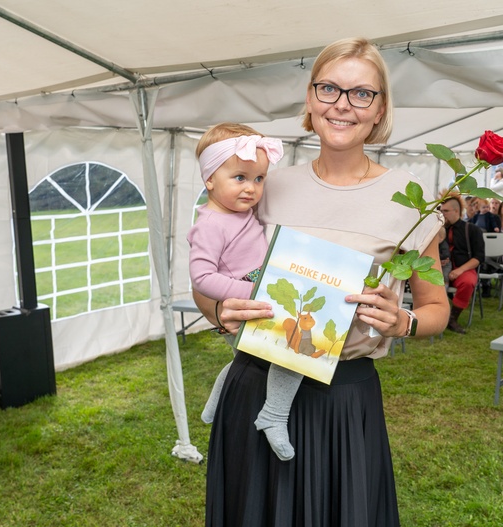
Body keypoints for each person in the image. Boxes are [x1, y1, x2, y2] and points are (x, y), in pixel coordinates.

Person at [194, 38, 449, 527]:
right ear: (310, 100)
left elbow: (437, 308)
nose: (342, 105)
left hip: (343, 403)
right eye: (329, 88)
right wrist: (218, 311)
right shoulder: (266, 185)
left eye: (361, 94)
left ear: (380, 110)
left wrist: (404, 322)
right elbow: (209, 282)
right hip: (255, 386)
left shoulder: (412, 200)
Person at [188, 123, 304, 462]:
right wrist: (253, 288)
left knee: (248, 357)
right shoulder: (210, 224)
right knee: (295, 351)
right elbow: (201, 276)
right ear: (210, 179)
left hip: (254, 293)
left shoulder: (241, 213)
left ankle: (215, 402)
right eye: (239, 178)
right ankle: (274, 415)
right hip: (244, 300)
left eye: (258, 179)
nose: (251, 188)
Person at [440, 193, 484, 334]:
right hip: (441, 269)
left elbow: (479, 257)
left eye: (445, 211)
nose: (442, 214)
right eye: (441, 211)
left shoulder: (472, 230)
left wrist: (460, 270)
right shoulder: (439, 230)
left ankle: (452, 318)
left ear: (457, 211)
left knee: (468, 282)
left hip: (463, 269)